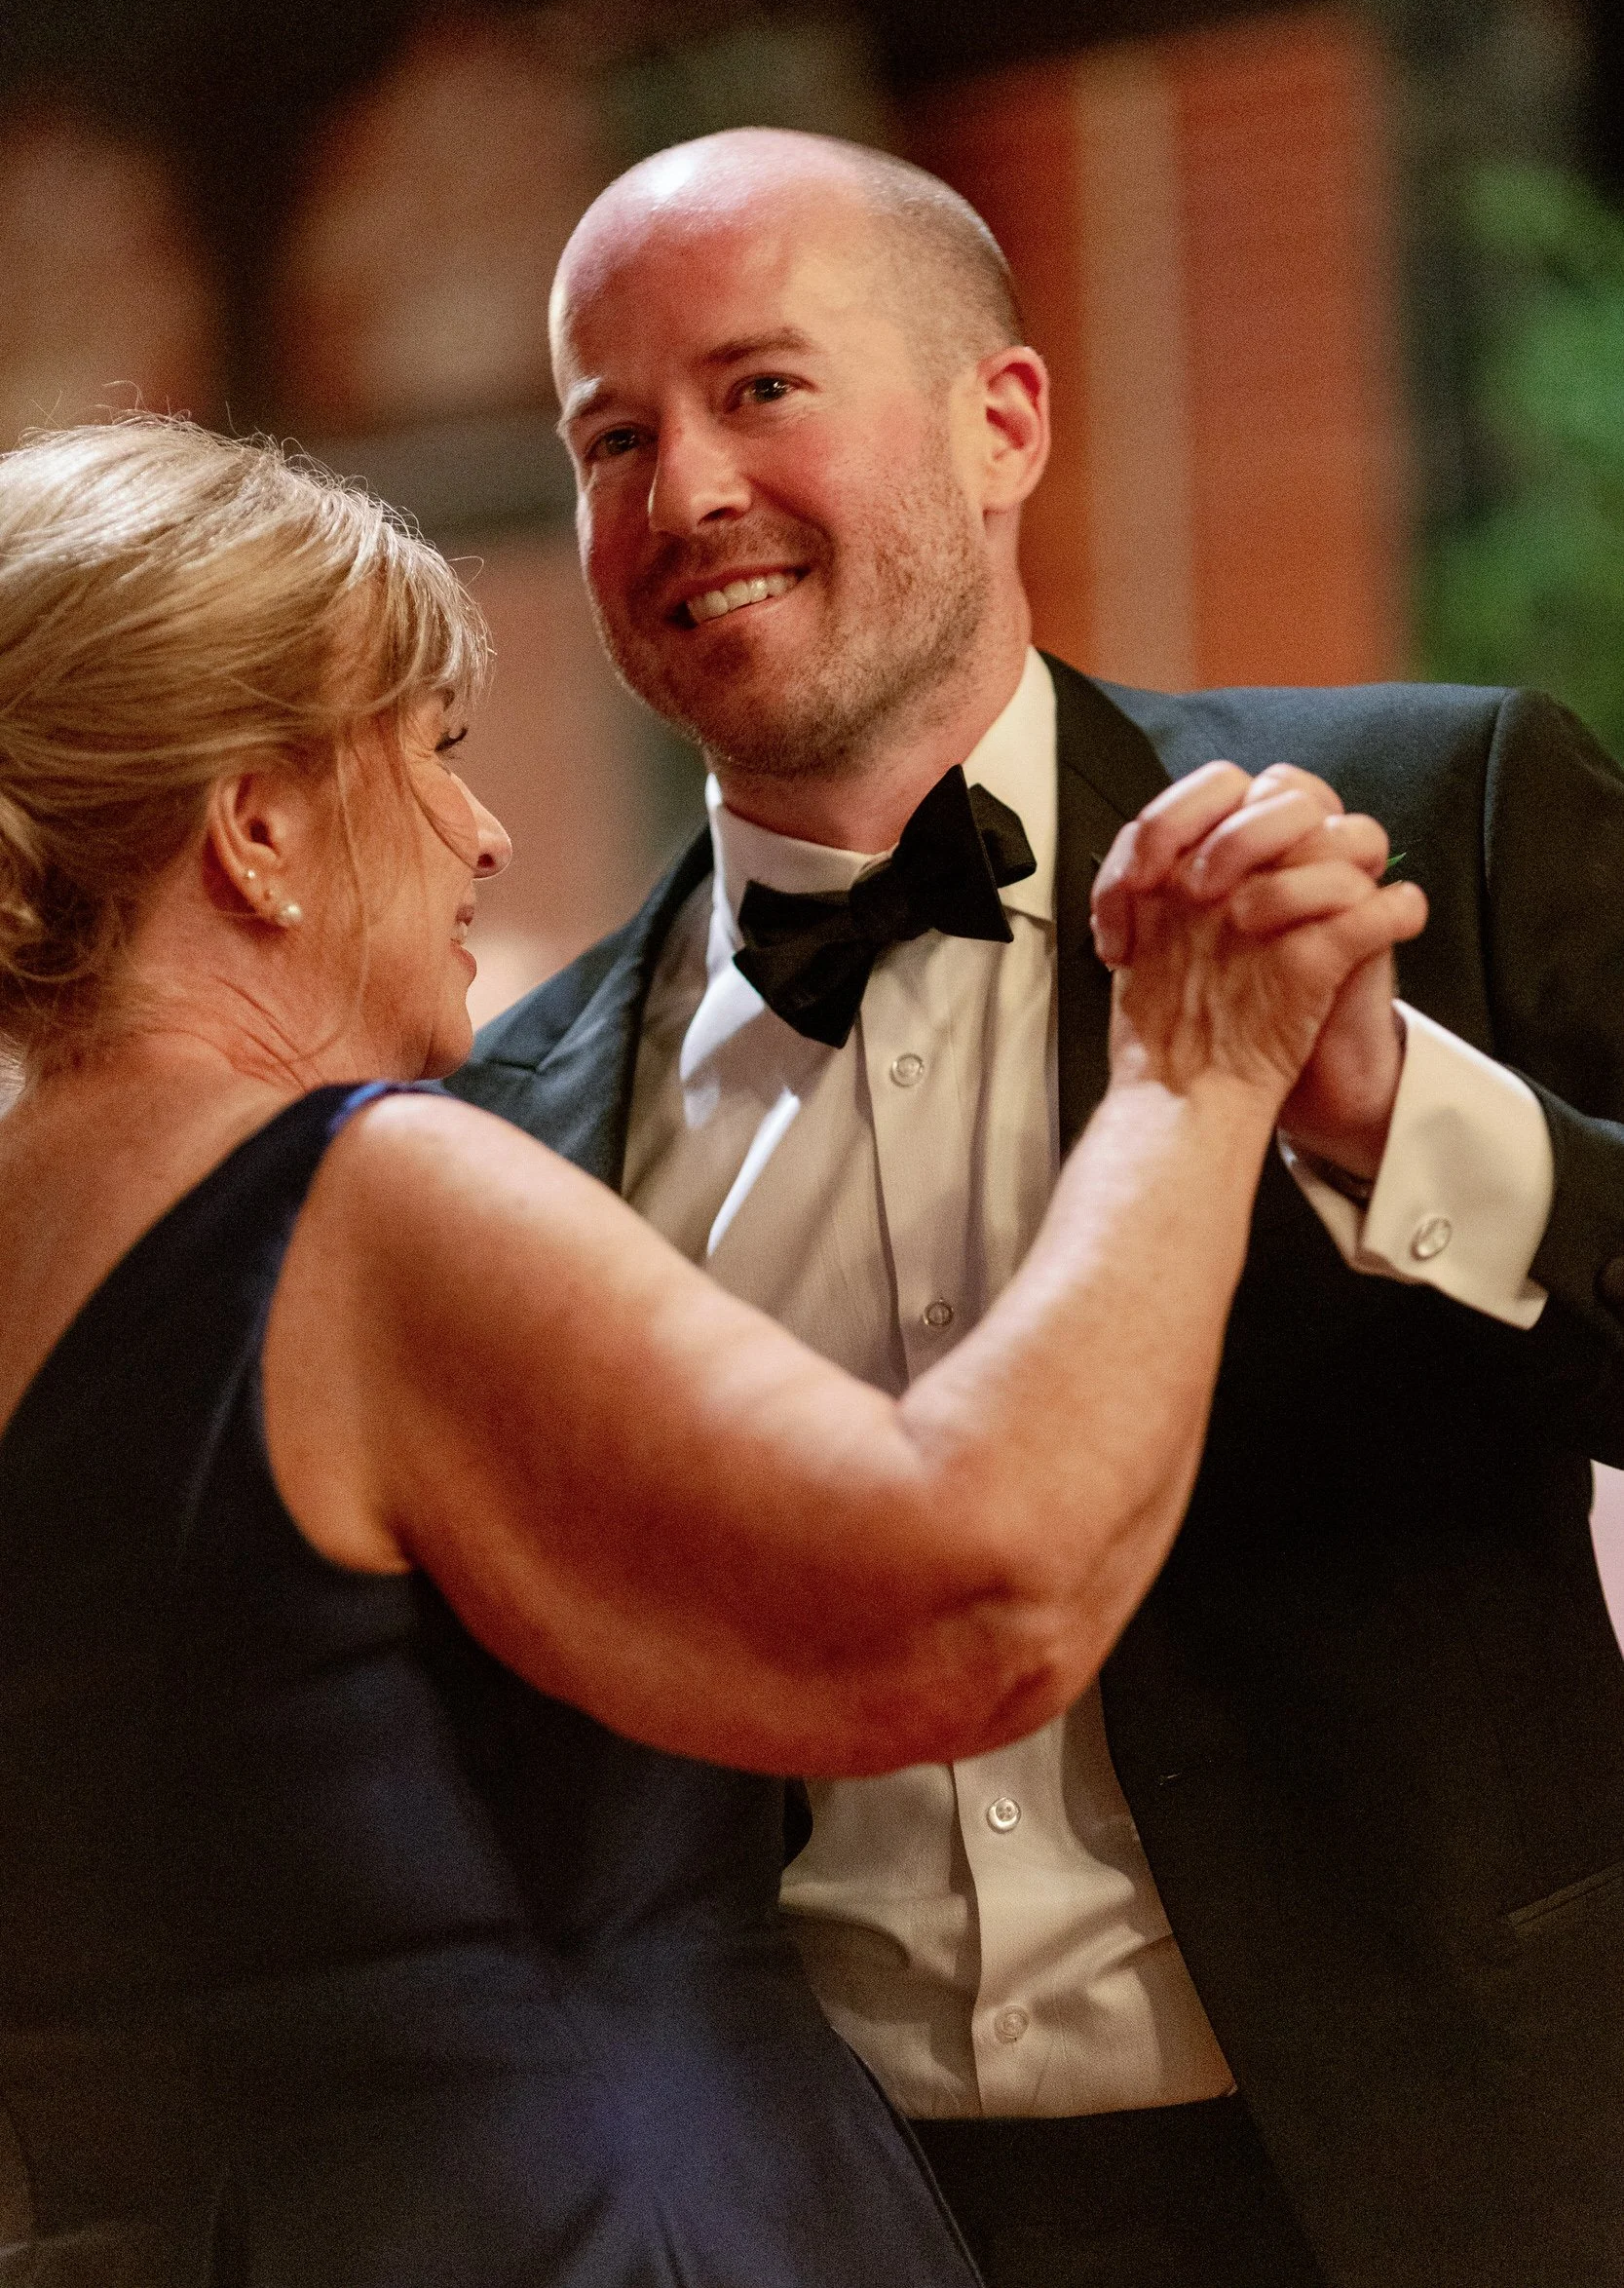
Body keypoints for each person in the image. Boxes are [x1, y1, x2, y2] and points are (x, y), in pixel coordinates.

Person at [0, 414, 1409, 2288]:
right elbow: (975, 1594)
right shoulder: (363, 1203)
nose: (483, 831)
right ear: (255, 834)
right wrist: (1197, 1061)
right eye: (430, 756)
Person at [453, 126, 1624, 2288]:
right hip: (834, 2220)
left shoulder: (1428, 814)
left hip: (1456, 2161)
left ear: (1002, 421)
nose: (681, 489)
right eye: (611, 435)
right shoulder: (516, 1128)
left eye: (758, 387)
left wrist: (1385, 1115)